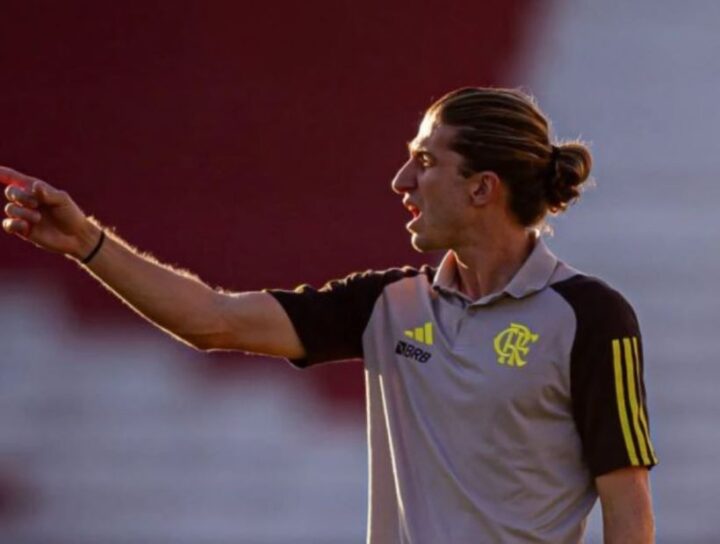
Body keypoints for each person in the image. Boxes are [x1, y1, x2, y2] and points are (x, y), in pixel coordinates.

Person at [2, 87, 657, 543]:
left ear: (482, 188)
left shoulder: (592, 317)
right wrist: (86, 242)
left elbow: (628, 511)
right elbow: (212, 320)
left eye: (426, 162)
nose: (401, 181)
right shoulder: (388, 304)